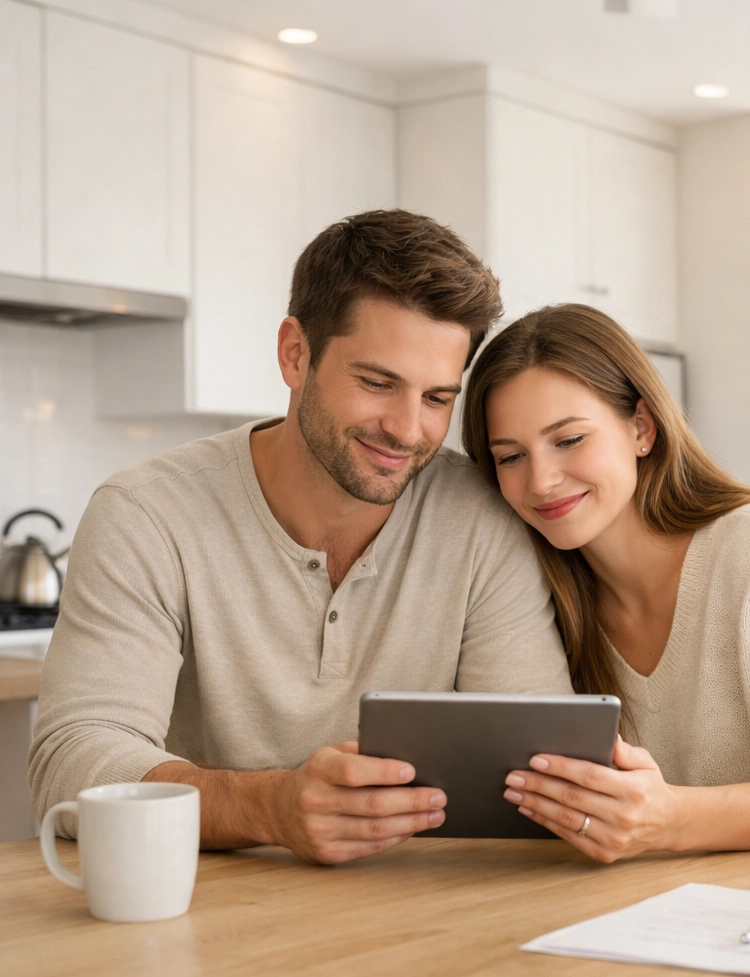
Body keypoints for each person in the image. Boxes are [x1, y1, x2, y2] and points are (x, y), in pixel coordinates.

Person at [29, 210, 572, 865]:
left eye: (436, 398)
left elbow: (534, 764)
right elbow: (73, 758)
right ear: (295, 354)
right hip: (196, 919)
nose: (406, 429)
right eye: (377, 383)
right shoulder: (147, 514)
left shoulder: (483, 520)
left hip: (409, 918)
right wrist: (270, 808)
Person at [461, 303, 750, 863]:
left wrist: (670, 819)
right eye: (510, 456)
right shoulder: (534, 597)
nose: (541, 480)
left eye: (569, 440)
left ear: (641, 428)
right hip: (645, 918)